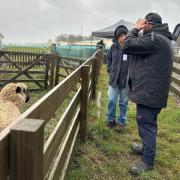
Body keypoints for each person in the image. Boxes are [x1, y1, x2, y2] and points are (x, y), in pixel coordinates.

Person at [122, 13, 173, 176]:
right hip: (151, 92)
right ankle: (146, 149)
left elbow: (127, 45)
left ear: (148, 24)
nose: (141, 27)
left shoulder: (155, 39)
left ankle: (147, 161)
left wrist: (136, 28)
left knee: (146, 125)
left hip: (149, 94)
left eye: (143, 24)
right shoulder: (159, 38)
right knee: (149, 123)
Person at [106, 25, 130, 132]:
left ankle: (121, 122)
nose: (123, 37)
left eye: (125, 35)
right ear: (117, 37)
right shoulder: (113, 47)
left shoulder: (130, 48)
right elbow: (109, 59)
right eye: (121, 35)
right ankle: (111, 119)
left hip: (125, 81)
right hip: (113, 80)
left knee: (123, 102)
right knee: (111, 100)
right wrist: (110, 69)